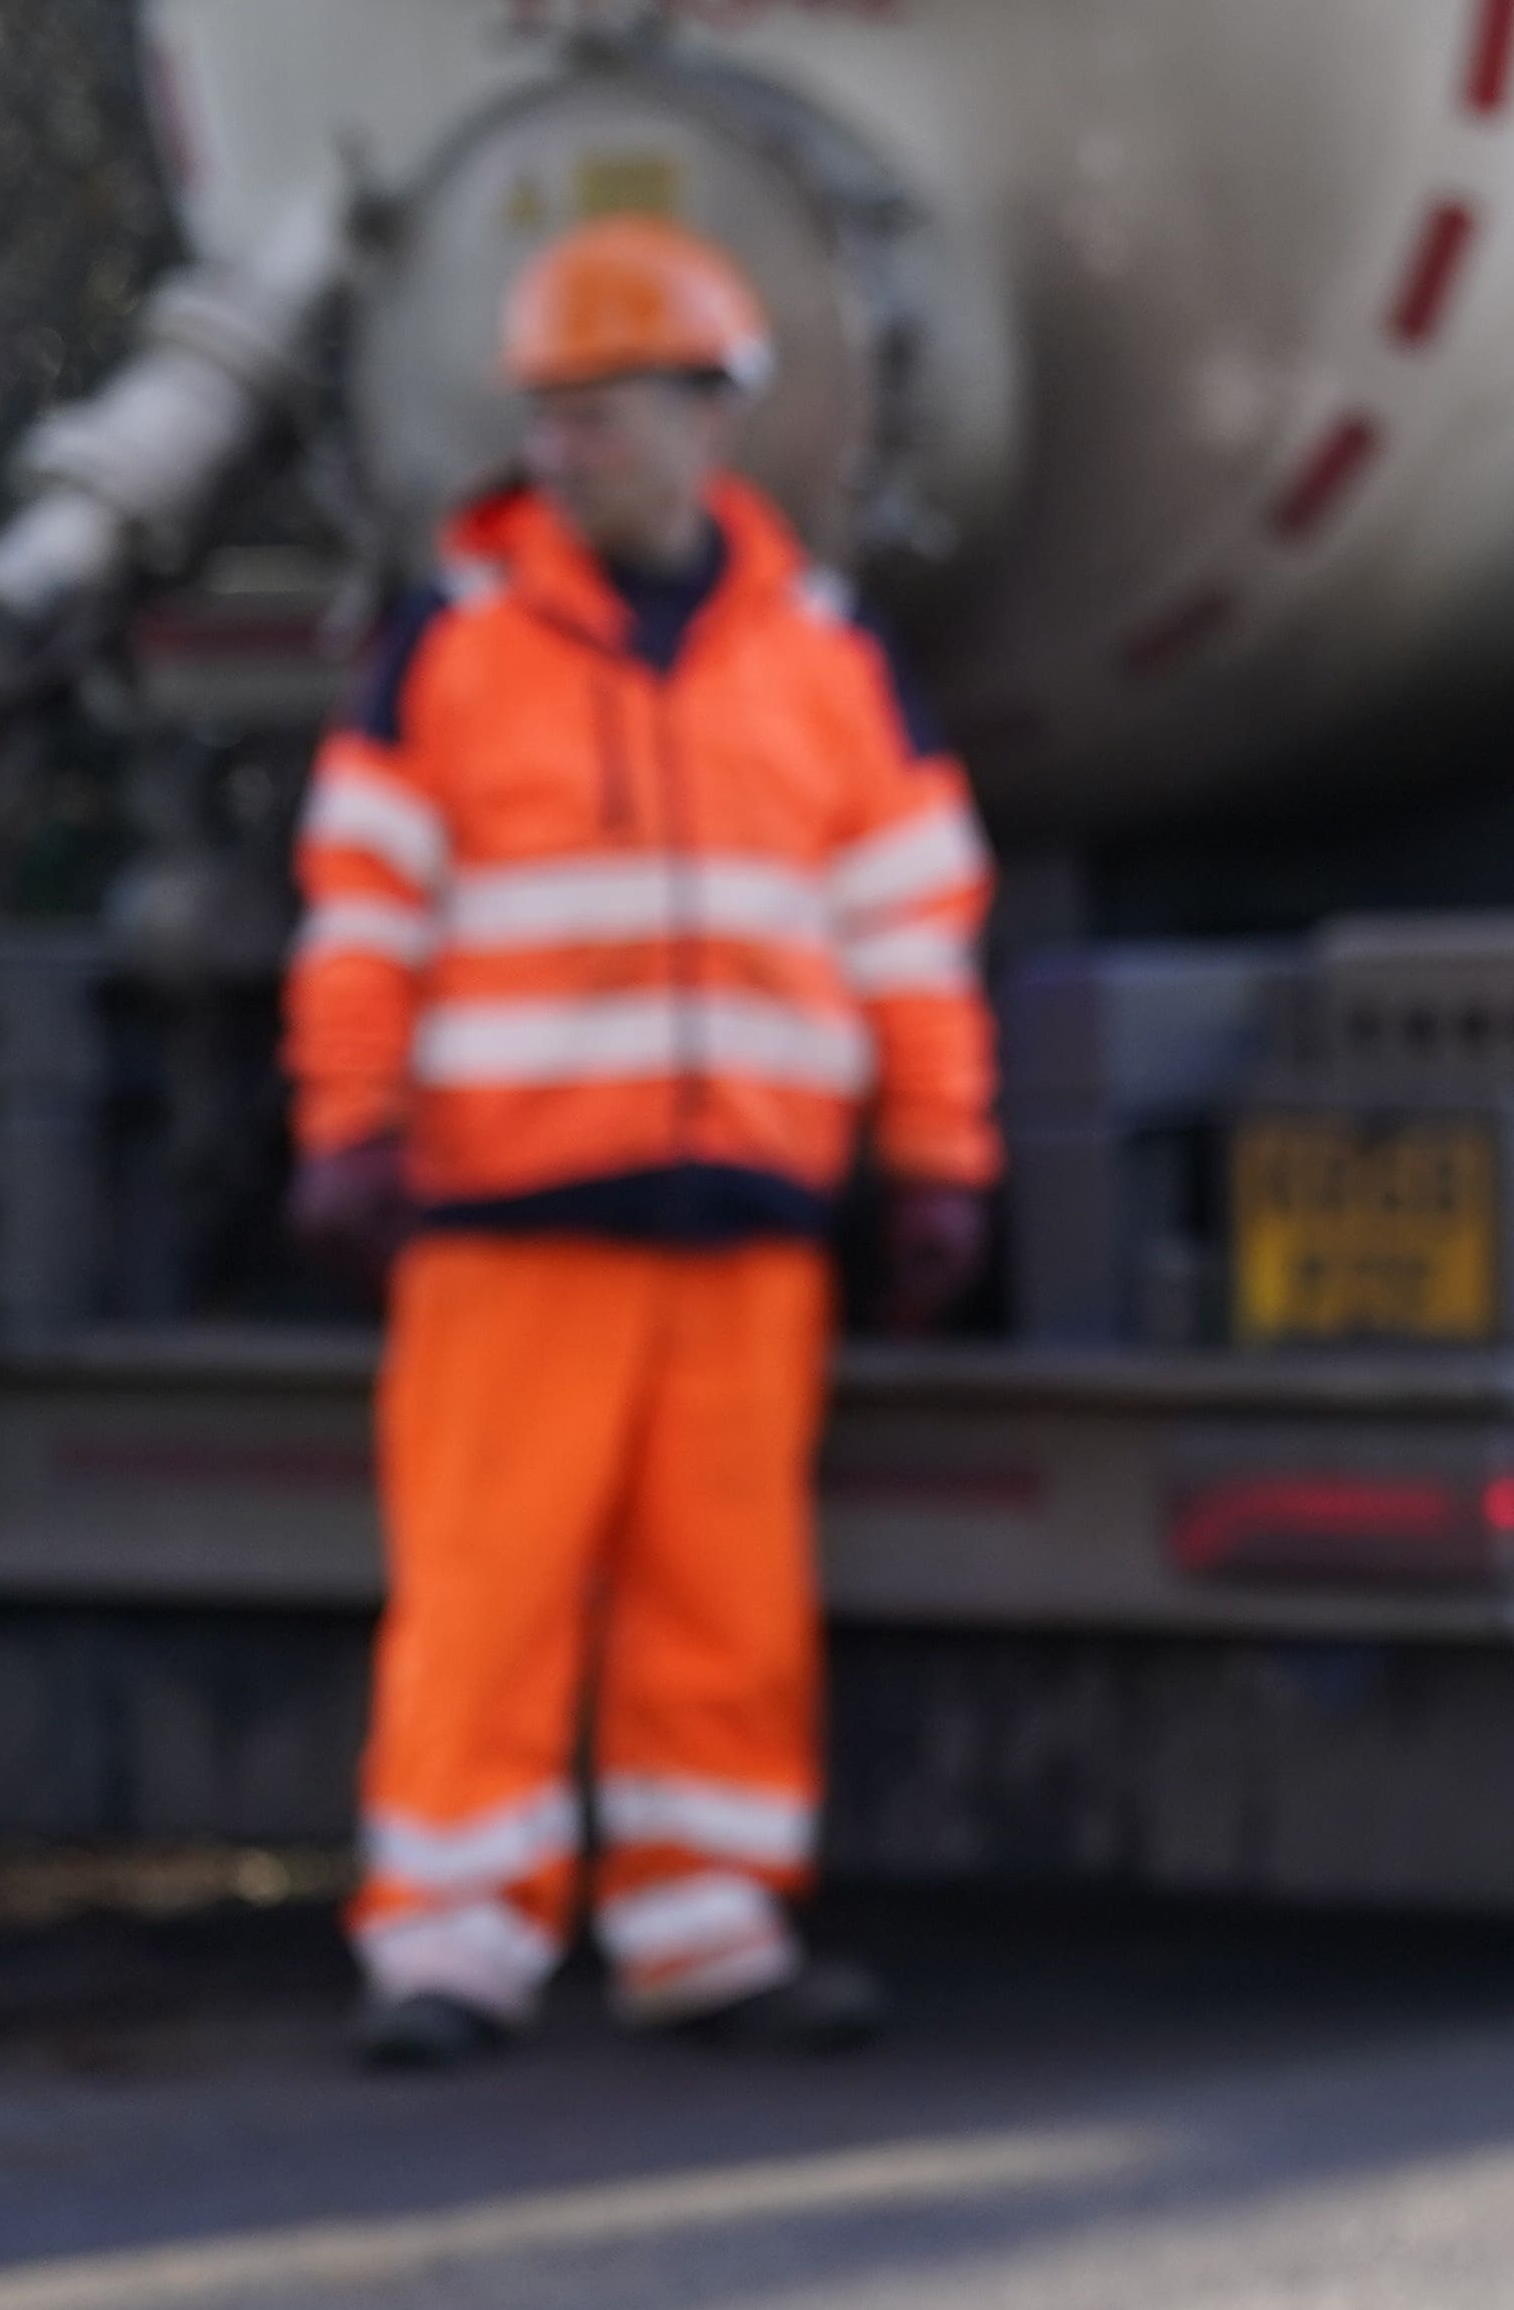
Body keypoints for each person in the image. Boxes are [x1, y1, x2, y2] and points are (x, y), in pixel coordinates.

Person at [283, 214, 999, 2066]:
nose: (567, 449)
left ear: (707, 417)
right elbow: (362, 912)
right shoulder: (453, 649)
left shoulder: (821, 658)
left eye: (602, 412)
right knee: (486, 1596)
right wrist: (350, 1126)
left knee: (725, 1602)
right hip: (509, 1217)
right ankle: (449, 1947)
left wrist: (938, 1158)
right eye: (549, 414)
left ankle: (705, 1927)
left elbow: (912, 930)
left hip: (745, 1220)